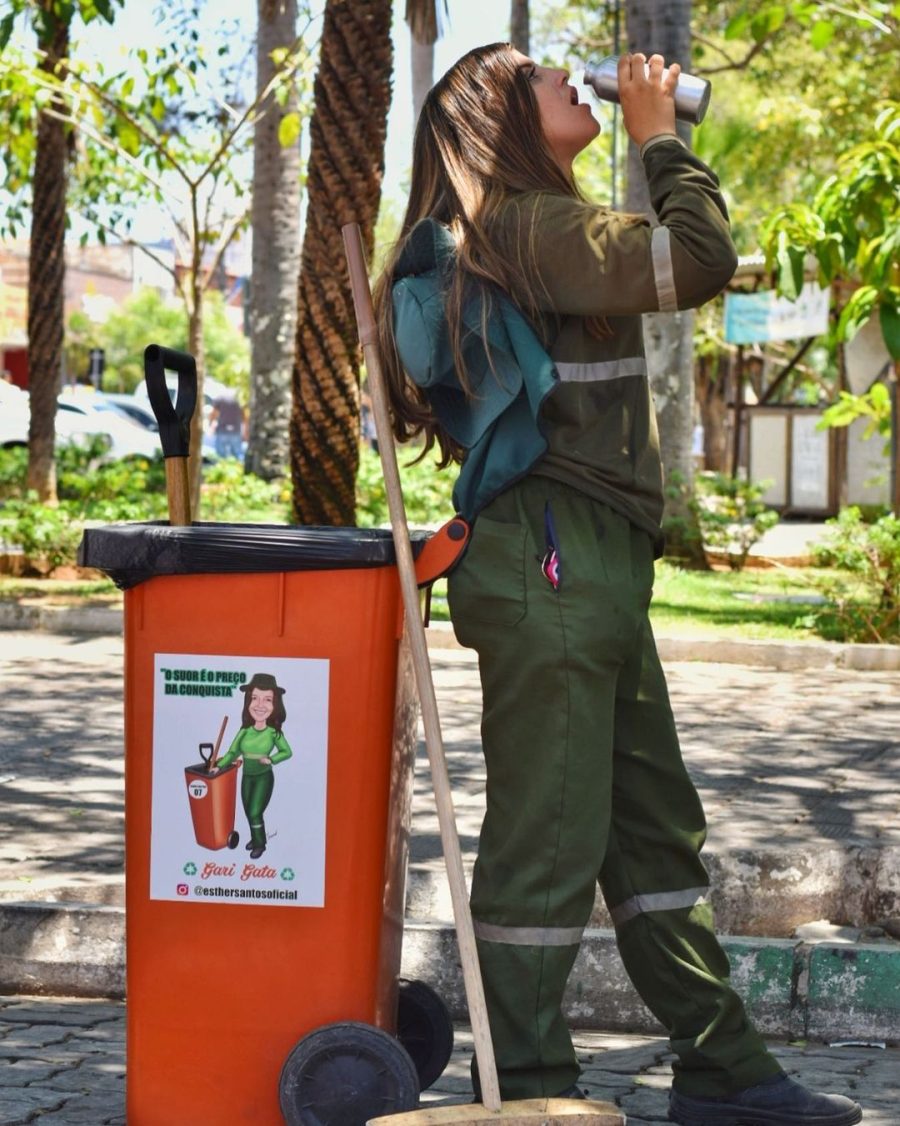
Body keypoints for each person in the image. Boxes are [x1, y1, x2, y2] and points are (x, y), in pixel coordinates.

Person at [373, 43, 862, 1126]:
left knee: (651, 830)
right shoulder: (525, 226)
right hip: (549, 552)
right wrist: (656, 132)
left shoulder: (541, 228)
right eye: (546, 76)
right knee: (548, 836)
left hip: (593, 554)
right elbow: (699, 258)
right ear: (502, 117)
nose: (574, 83)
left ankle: (724, 1067)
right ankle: (532, 1088)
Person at [211, 672, 292, 859]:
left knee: (255, 812)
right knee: (249, 811)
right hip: (247, 776)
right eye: (255, 698)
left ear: (275, 704)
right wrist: (219, 766)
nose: (260, 705)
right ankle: (256, 838)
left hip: (263, 777)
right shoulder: (245, 731)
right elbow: (233, 752)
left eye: (267, 700)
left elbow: (287, 752)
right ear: (248, 702)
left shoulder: (274, 733)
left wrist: (271, 760)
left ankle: (260, 844)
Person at [209, 386, 247, 459]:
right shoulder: (239, 398)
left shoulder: (220, 397)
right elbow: (244, 417)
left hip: (222, 430)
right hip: (236, 431)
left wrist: (210, 424)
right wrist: (245, 432)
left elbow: (213, 414)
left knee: (220, 457)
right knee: (237, 456)